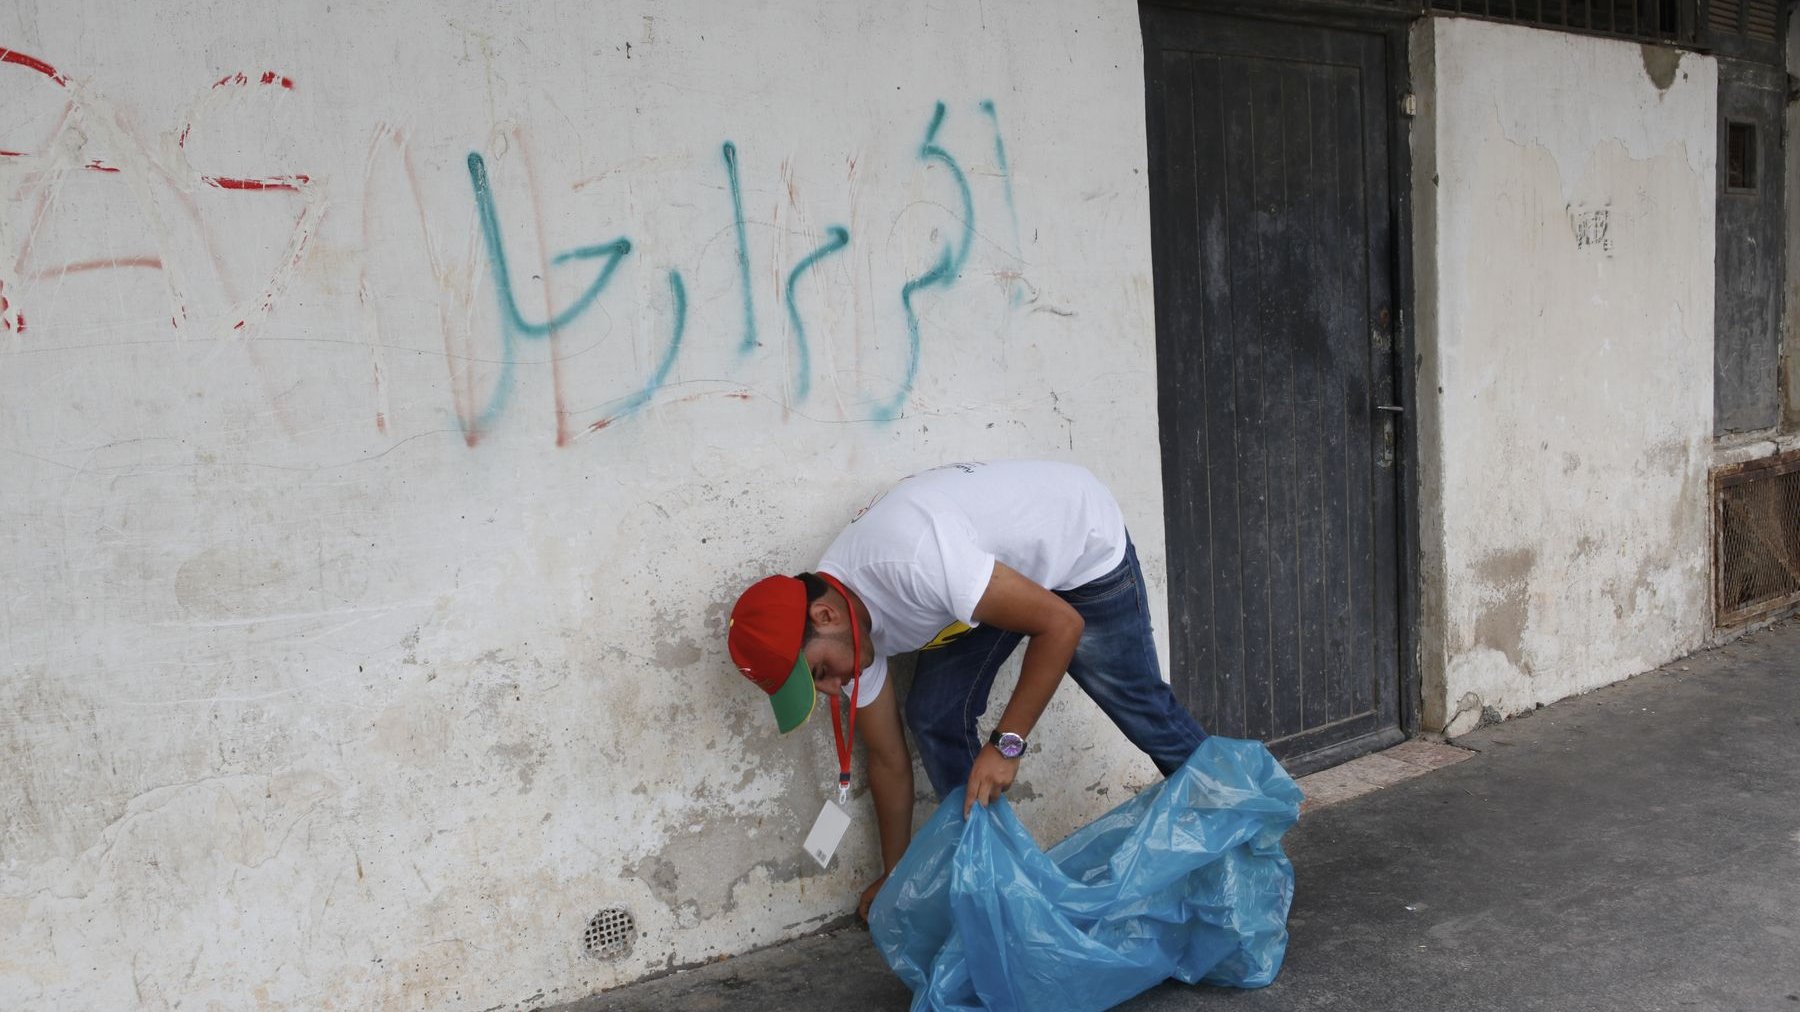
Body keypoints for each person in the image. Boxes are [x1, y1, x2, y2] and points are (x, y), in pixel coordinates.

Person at [726, 460, 1208, 919]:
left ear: (825, 617)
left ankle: (1240, 817)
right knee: (934, 714)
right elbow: (890, 760)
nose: (834, 689)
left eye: (820, 673)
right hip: (991, 577)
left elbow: (1061, 624)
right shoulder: (849, 635)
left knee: (1138, 704)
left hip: (1078, 541)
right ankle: (1003, 887)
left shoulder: (913, 560)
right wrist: (897, 877)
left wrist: (1007, 743)